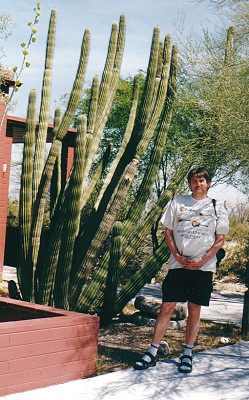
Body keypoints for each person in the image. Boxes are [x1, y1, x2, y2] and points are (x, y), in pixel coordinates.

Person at [134, 166, 229, 373]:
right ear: (189, 183)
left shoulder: (217, 206)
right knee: (167, 306)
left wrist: (202, 260)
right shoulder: (177, 202)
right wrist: (177, 255)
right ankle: (152, 351)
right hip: (178, 264)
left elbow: (219, 240)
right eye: (194, 180)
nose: (198, 184)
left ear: (208, 183)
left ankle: (187, 353)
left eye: (202, 180)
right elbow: (168, 232)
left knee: (195, 309)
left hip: (203, 268)